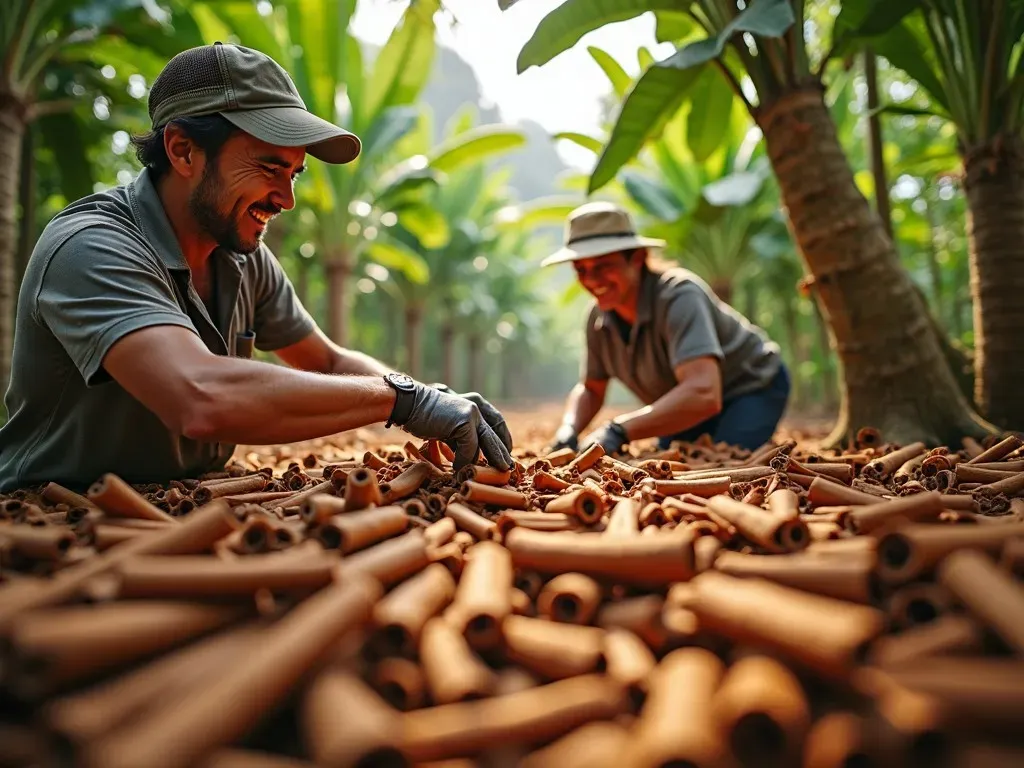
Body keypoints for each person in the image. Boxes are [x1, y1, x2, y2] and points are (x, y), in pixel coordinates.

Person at [0, 43, 512, 491]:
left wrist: (430, 398)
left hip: (185, 503)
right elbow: (198, 396)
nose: (286, 199)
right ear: (183, 150)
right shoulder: (92, 247)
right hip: (56, 513)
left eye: (294, 173)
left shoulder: (244, 259)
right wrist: (404, 401)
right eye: (269, 167)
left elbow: (328, 363)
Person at [547, 202, 789, 457]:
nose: (592, 280)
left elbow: (703, 392)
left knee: (724, 456)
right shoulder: (598, 318)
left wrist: (618, 430)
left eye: (603, 266)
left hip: (751, 386)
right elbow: (592, 388)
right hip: (688, 402)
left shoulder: (679, 295)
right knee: (673, 454)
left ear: (637, 258)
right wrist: (568, 430)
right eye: (581, 270)